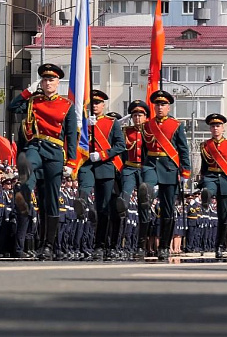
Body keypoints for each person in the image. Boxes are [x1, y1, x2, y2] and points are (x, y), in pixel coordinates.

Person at [8, 63, 77, 260]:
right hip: (35, 147)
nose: (48, 83)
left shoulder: (66, 106)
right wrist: (27, 92)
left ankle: (47, 245)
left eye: (51, 79)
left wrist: (71, 162)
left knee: (51, 200)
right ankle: (23, 190)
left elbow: (71, 135)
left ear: (58, 83)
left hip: (55, 152)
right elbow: (12, 107)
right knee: (27, 170)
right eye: (45, 79)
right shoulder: (33, 101)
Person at [139, 90, 191, 260]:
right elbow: (145, 148)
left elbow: (183, 149)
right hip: (151, 165)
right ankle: (141, 243)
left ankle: (163, 246)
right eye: (157, 105)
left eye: (163, 105)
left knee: (168, 210)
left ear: (168, 107)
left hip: (169, 167)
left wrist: (185, 171)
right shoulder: (147, 125)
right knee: (145, 190)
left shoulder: (176, 125)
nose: (160, 107)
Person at [77, 89, 125, 260]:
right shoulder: (83, 122)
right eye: (92, 103)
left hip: (105, 167)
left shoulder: (112, 123)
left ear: (104, 105)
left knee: (103, 209)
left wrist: (103, 154)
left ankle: (102, 245)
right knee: (85, 187)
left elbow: (120, 146)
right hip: (88, 165)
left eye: (98, 103)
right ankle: (81, 200)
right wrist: (85, 126)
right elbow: (75, 140)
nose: (95, 106)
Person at [198, 113, 227, 258]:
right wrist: (201, 180)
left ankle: (219, 246)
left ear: (223, 128)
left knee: (223, 217)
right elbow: (204, 167)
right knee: (208, 189)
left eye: (218, 126)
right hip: (210, 177)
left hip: (225, 180)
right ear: (210, 129)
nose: (215, 128)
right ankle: (207, 197)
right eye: (212, 126)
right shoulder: (205, 146)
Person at [121, 100, 150, 258]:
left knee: (144, 207)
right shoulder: (126, 132)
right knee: (124, 197)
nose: (137, 118)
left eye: (140, 115)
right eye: (134, 115)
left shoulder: (150, 131)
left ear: (146, 116)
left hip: (145, 170)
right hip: (130, 168)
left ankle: (141, 244)